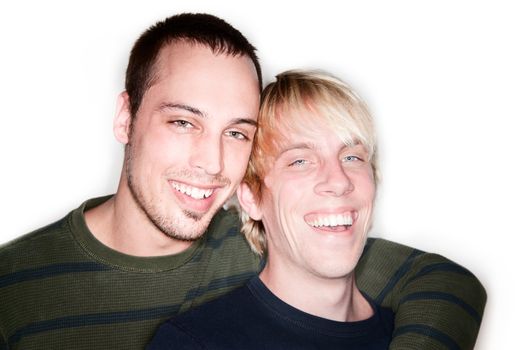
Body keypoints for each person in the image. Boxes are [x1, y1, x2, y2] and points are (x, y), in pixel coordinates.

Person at [0, 13, 485, 350]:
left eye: (235, 132)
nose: (212, 162)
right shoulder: (12, 287)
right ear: (126, 118)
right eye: (183, 122)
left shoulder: (265, 245)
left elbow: (444, 283)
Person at [148, 70, 395, 349]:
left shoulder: (421, 333)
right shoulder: (193, 343)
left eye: (352, 157)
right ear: (252, 197)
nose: (339, 182)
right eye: (300, 161)